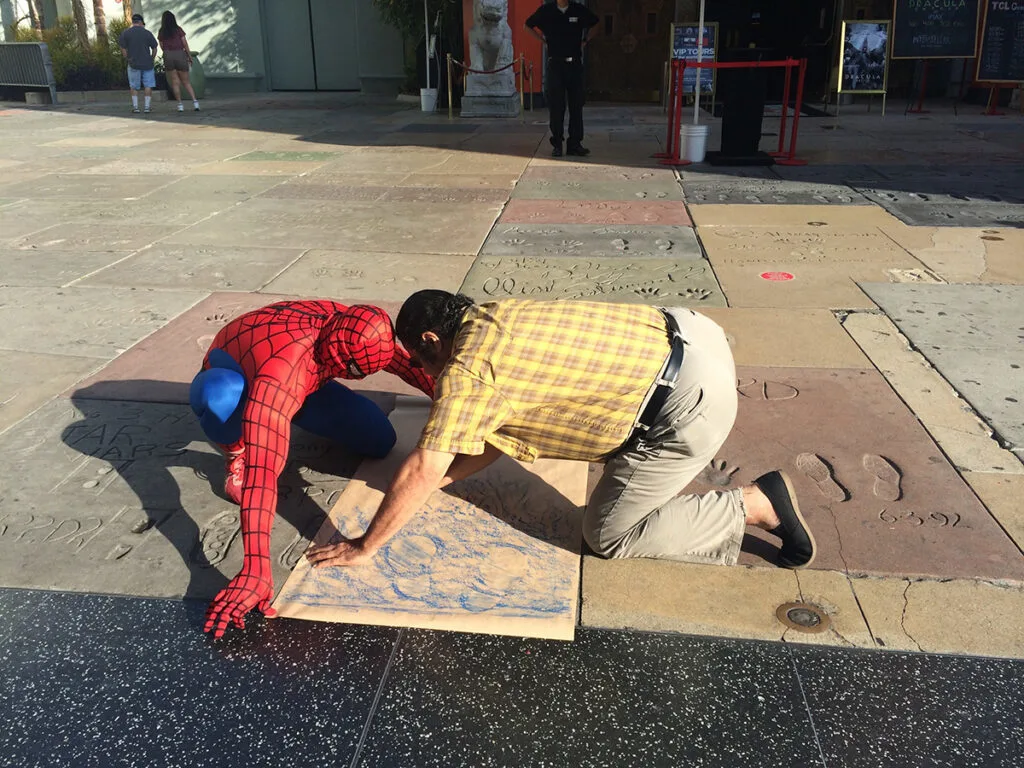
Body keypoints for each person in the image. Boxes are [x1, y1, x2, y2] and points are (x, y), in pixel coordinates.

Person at [305, 292, 815, 574]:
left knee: (607, 536)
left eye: (421, 359)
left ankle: (751, 504)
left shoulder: (469, 374)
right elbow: (486, 440)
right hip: (696, 334)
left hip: (687, 407)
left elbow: (423, 465)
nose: (427, 373)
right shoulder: (494, 313)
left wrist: (366, 544)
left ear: (433, 340)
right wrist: (431, 489)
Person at [191, 300, 434, 638]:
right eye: (354, 372)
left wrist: (461, 407)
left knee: (379, 441)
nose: (358, 377)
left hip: (304, 376)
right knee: (219, 397)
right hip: (241, 378)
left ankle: (295, 409)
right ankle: (235, 448)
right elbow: (263, 474)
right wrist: (255, 568)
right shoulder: (279, 374)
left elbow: (408, 366)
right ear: (340, 357)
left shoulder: (358, 327)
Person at [525, 0, 599, 157]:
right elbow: (527, 25)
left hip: (574, 65)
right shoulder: (547, 10)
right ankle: (557, 143)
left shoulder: (578, 9)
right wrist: (542, 41)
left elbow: (596, 23)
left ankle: (575, 144)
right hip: (555, 65)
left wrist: (585, 41)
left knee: (576, 105)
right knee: (556, 106)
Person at [157, 11, 200, 113]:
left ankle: (180, 105)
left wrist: (167, 53)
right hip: (179, 54)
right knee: (186, 82)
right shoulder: (178, 29)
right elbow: (185, 43)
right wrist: (189, 56)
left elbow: (161, 45)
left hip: (168, 55)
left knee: (175, 82)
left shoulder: (162, 31)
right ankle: (195, 102)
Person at [118, 13, 159, 114]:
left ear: (133, 22)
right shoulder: (147, 33)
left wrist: (127, 58)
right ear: (140, 22)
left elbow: (123, 48)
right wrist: (152, 58)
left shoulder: (126, 33)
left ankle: (136, 107)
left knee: (134, 86)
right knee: (148, 85)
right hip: (147, 63)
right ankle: (146, 107)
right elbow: (154, 47)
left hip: (133, 63)